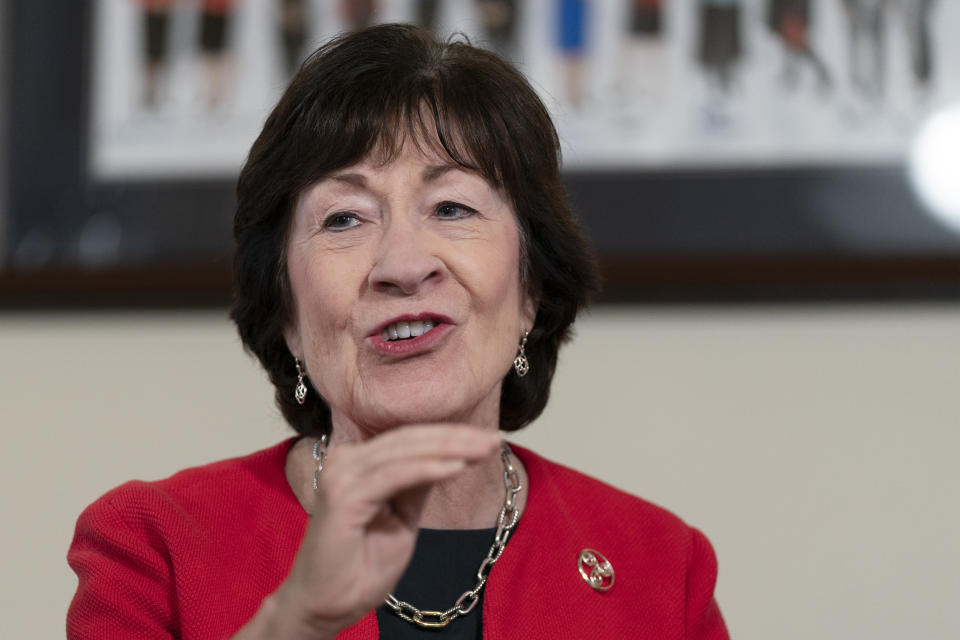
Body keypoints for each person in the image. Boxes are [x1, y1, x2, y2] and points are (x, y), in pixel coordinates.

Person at [67, 24, 729, 639]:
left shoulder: (663, 570)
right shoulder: (154, 546)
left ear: (531, 290)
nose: (403, 267)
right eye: (344, 219)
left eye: (452, 207)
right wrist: (292, 621)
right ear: (287, 313)